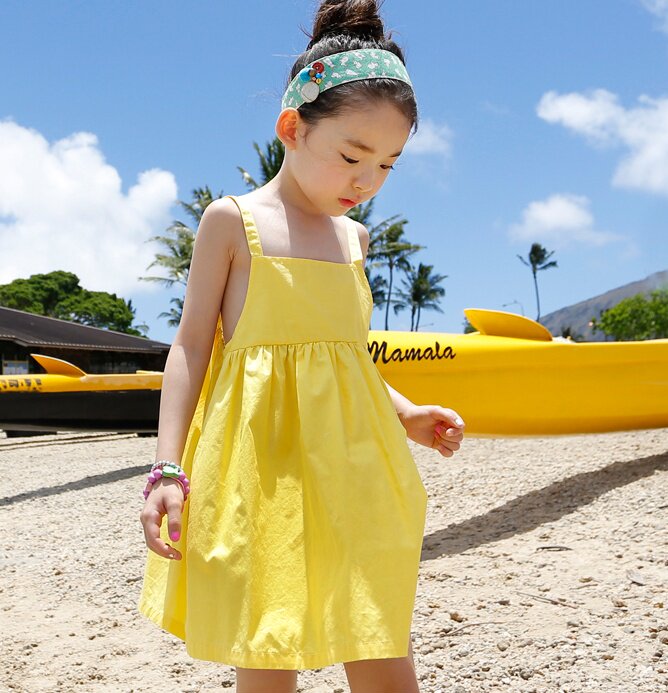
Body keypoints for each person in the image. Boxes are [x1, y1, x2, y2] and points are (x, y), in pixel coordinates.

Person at [138, 1, 465, 691]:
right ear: (293, 128)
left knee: (376, 634)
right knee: (269, 647)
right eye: (351, 156)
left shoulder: (356, 240)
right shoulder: (233, 222)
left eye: (388, 164)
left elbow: (345, 356)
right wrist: (167, 468)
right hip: (260, 473)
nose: (367, 181)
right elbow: (192, 347)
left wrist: (405, 411)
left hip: (356, 466)